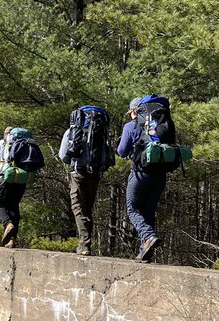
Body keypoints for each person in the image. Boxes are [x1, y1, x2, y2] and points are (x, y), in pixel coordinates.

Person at [117, 96, 181, 262]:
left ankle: (147, 237)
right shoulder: (164, 123)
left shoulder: (131, 126)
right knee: (148, 212)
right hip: (160, 175)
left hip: (140, 174)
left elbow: (122, 151)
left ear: (135, 111)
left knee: (132, 209)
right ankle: (144, 252)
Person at [58, 105, 114, 256]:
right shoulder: (103, 131)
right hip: (95, 173)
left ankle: (84, 245)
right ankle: (86, 244)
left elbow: (63, 156)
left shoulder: (72, 130)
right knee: (88, 208)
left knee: (78, 207)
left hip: (78, 172)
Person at [0, 127, 44, 248]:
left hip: (6, 177)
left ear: (6, 135)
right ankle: (11, 240)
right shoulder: (27, 143)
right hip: (22, 178)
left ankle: (8, 224)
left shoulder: (2, 143)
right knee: (13, 207)